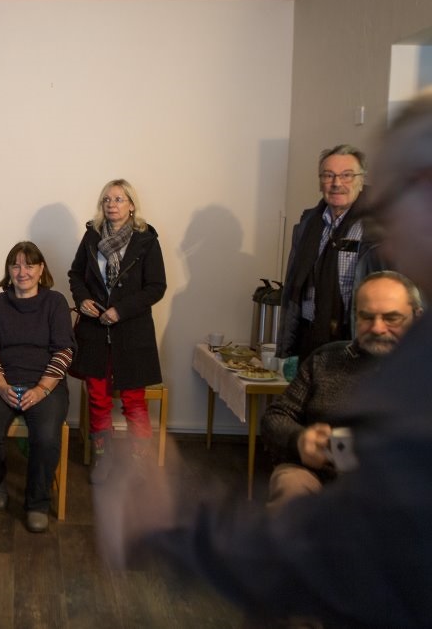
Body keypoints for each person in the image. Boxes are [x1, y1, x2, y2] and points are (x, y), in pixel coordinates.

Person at [110, 90, 432, 627]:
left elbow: (358, 542)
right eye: (329, 176)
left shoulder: (412, 365)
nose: (386, 227)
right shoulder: (313, 233)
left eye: (388, 195)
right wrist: (316, 439)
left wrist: (176, 527)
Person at [261, 271, 422, 508]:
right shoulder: (325, 359)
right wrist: (300, 439)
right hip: (319, 476)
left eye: (392, 318)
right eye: (367, 317)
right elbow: (276, 416)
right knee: (290, 485)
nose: (377, 328)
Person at [0, 241, 75, 533]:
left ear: (41, 269)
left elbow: (64, 351)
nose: (22, 271)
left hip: (45, 385)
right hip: (3, 382)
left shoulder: (55, 302)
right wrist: (1, 385)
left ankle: (37, 503)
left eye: (29, 265)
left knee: (46, 437)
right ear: (8, 270)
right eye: (15, 265)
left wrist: (42, 389)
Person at [68, 179, 166, 484]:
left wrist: (120, 310)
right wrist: (83, 299)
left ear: (131, 205)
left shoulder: (146, 240)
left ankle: (140, 464)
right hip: (94, 332)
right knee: (98, 398)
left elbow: (156, 287)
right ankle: (104, 459)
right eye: (107, 199)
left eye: (119, 199)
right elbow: (75, 274)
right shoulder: (91, 236)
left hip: (132, 333)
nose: (112, 204)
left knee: (134, 400)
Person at [278, 144, 386, 360]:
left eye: (347, 175)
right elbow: (293, 290)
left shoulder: (379, 227)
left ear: (361, 180)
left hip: (353, 342)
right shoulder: (308, 225)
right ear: (320, 182)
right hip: (307, 340)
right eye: (329, 175)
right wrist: (285, 348)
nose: (337, 183)